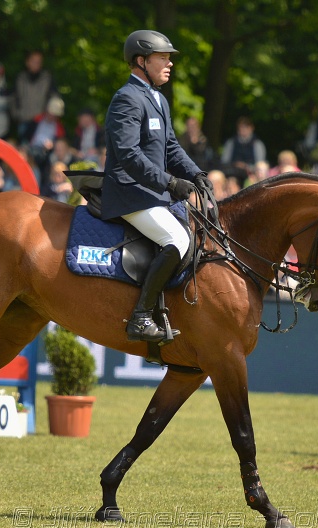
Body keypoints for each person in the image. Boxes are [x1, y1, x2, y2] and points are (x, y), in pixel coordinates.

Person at [101, 30, 212, 343]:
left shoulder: (158, 99)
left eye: (169, 58)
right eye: (163, 58)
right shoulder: (127, 98)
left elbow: (171, 148)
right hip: (129, 193)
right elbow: (129, 155)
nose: (169, 64)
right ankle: (140, 318)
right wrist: (170, 182)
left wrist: (196, 174)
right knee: (177, 239)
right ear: (141, 61)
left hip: (152, 193)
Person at [11, 50, 58, 142]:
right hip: (23, 120)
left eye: (39, 61)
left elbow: (54, 98)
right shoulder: (20, 78)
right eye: (34, 61)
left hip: (41, 122)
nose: (36, 64)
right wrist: (16, 114)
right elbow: (13, 98)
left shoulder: (47, 78)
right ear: (27, 62)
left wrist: (49, 115)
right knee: (24, 148)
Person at [220, 116, 266, 182]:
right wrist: (235, 165)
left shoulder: (257, 144)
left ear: (251, 128)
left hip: (251, 176)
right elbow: (224, 162)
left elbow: (260, 164)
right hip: (232, 175)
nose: (243, 130)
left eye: (246, 127)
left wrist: (246, 167)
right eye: (241, 127)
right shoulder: (231, 143)